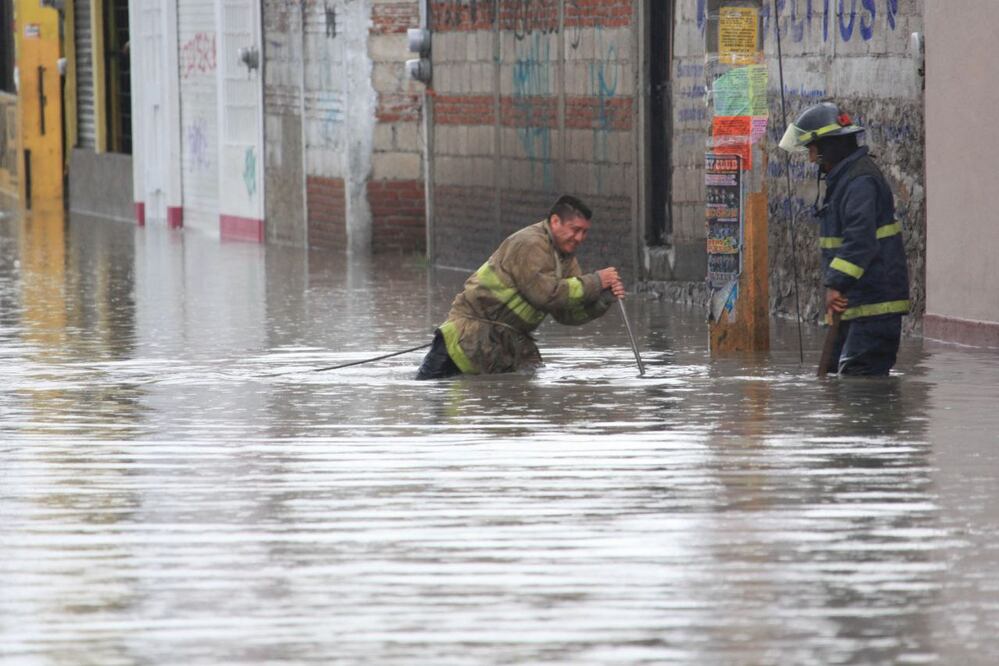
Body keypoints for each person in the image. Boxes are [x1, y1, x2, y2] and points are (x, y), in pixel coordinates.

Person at [416, 195, 626, 379]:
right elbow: (546, 295)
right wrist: (596, 281)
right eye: (575, 230)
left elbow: (566, 314)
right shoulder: (530, 244)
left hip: (504, 348)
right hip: (463, 343)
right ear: (555, 222)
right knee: (440, 403)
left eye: (585, 232)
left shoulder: (566, 259)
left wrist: (602, 299)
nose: (580, 238)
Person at [779, 101, 910, 376]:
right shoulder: (846, 180)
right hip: (855, 304)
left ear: (829, 147)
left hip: (873, 307)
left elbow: (859, 239)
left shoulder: (860, 182)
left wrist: (836, 284)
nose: (812, 159)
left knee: (859, 380)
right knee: (837, 377)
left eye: (813, 150)